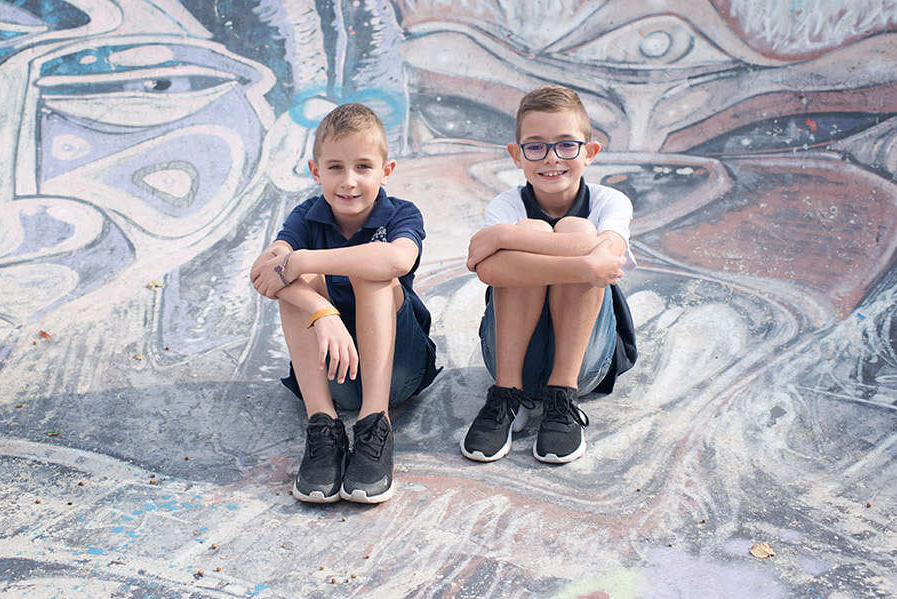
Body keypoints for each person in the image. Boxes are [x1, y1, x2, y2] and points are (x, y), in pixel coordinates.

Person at [251, 104, 438, 503]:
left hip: (395, 374)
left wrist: (303, 259)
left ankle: (375, 424)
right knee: (297, 283)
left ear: (386, 171)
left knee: (371, 271)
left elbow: (397, 259)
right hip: (330, 372)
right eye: (335, 167)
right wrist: (321, 311)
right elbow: (263, 271)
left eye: (363, 167)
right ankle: (324, 427)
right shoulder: (306, 217)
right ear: (315, 171)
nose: (349, 181)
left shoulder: (402, 213)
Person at [462, 84, 637, 464]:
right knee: (537, 231)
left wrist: (506, 238)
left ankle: (562, 397)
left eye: (566, 145)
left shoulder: (611, 202)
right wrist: (582, 265)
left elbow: (607, 253)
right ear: (516, 155)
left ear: (590, 153)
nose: (551, 158)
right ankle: (506, 395)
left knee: (576, 229)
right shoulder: (506, 205)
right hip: (510, 360)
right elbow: (490, 271)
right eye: (536, 146)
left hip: (587, 363)